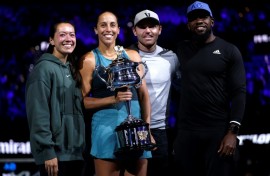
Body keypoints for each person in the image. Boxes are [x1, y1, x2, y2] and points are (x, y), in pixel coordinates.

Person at [173, 1, 247, 176]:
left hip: (218, 132)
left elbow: (239, 93)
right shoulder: (180, 50)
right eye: (194, 18)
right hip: (186, 133)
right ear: (188, 24)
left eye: (203, 16)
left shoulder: (229, 51)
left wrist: (232, 132)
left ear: (211, 21)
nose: (199, 21)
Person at [79, 11, 153, 176]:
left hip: (136, 130)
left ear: (118, 30)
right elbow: (80, 101)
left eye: (112, 25)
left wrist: (147, 129)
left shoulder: (132, 56)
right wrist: (112, 99)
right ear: (95, 30)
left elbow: (144, 96)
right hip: (105, 130)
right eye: (103, 25)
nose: (108, 29)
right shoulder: (89, 60)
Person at [25, 21, 85, 176]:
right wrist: (47, 151)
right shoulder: (43, 69)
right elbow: (39, 114)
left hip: (75, 154)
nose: (68, 39)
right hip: (55, 156)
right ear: (51, 40)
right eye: (62, 34)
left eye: (72, 35)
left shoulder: (72, 69)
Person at [129, 9, 180, 176]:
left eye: (152, 26)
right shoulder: (124, 56)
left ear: (160, 29)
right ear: (134, 31)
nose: (148, 30)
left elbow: (182, 91)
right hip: (132, 129)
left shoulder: (171, 58)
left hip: (161, 131)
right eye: (142, 27)